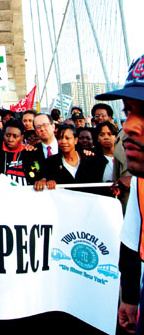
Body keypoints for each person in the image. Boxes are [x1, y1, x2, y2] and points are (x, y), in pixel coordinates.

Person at [93, 53, 144, 333]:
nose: (129, 127)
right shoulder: (140, 181)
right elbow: (131, 241)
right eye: (128, 112)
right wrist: (131, 297)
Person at [33, 123, 104, 190]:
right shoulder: (50, 163)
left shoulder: (90, 160)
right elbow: (44, 178)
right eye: (60, 138)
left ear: (75, 140)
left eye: (67, 138)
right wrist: (45, 181)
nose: (63, 141)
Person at [23, 113, 58, 187]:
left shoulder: (65, 147)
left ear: (53, 126)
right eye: (38, 127)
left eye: (45, 125)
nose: (42, 129)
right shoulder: (31, 152)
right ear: (36, 131)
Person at [0, 118, 28, 185]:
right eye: (7, 135)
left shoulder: (28, 153)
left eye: (15, 136)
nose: (10, 139)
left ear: (22, 137)